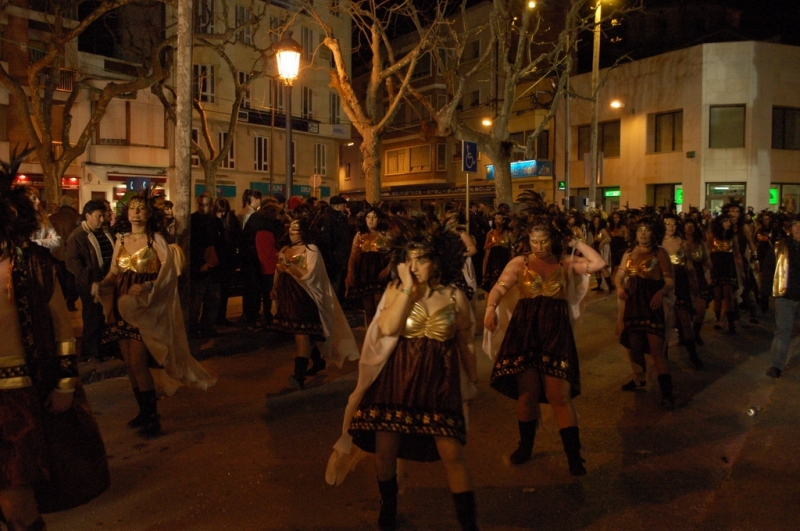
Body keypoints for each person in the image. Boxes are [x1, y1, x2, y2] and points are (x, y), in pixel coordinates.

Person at [326, 230, 480, 531]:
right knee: (385, 451)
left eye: (420, 260)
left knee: (452, 453)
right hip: (397, 378)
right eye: (408, 260)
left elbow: (464, 340)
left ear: (437, 261)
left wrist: (472, 379)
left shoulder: (453, 295)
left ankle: (469, 522)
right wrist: (408, 289)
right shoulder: (397, 290)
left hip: (438, 382)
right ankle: (389, 504)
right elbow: (388, 326)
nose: (414, 266)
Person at [1, 185, 108, 530]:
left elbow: (63, 328)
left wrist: (64, 385)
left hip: (16, 402)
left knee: (17, 503)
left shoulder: (30, 263)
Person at [483, 217, 604, 475]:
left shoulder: (564, 262)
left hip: (555, 333)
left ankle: (574, 457)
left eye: (544, 240)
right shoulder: (520, 263)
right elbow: (499, 288)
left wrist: (577, 241)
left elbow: (599, 263)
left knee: (558, 395)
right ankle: (525, 447)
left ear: (553, 239)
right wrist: (490, 308)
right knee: (527, 395)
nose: (538, 245)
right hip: (525, 332)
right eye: (533, 241)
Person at [98, 193, 216, 438]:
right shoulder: (120, 240)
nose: (136, 212)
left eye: (141, 208)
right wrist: (101, 285)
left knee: (139, 362)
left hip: (146, 308)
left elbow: (169, 274)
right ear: (126, 212)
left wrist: (149, 286)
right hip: (122, 305)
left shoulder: (157, 241)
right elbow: (113, 273)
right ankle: (142, 411)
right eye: (132, 208)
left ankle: (153, 417)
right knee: (129, 364)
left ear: (149, 213)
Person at [270, 217, 358, 389]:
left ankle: (299, 375)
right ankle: (317, 360)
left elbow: (310, 275)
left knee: (301, 334)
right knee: (299, 332)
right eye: (290, 231)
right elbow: (278, 270)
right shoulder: (285, 249)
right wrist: (275, 287)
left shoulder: (311, 250)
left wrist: (289, 266)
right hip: (288, 297)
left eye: (295, 232)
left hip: (305, 297)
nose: (292, 235)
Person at [615, 217, 676, 410]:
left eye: (647, 230)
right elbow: (620, 274)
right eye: (640, 230)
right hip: (633, 303)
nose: (642, 234)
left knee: (656, 348)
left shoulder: (660, 253)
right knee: (634, 345)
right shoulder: (629, 253)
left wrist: (661, 292)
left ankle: (667, 392)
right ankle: (639, 379)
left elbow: (669, 280)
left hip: (651, 304)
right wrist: (618, 287)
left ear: (653, 232)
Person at [65, 200, 117, 361]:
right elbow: (72, 262)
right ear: (87, 216)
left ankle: (103, 348)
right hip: (90, 284)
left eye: (103, 215)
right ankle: (90, 352)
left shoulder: (105, 231)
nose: (102, 219)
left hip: (107, 281)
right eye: (98, 216)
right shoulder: (78, 236)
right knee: (92, 318)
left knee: (106, 316)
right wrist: (89, 279)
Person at [661, 215, 703, 368]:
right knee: (663, 322)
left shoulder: (682, 244)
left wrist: (694, 284)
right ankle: (662, 358)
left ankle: (693, 355)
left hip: (681, 284)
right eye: (667, 223)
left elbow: (689, 266)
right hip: (663, 286)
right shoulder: (657, 244)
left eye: (673, 224)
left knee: (684, 319)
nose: (671, 227)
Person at [766, 215, 800, 378]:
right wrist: (766, 291)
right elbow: (769, 267)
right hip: (785, 294)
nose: (798, 229)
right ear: (790, 227)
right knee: (783, 330)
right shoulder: (780, 246)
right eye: (795, 225)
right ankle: (776, 365)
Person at [346, 207, 392, 325]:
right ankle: (370, 332)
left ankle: (381, 329)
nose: (371, 220)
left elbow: (394, 252)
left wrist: (388, 268)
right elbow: (353, 255)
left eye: (374, 217)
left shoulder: (385, 234)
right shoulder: (360, 235)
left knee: (379, 301)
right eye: (368, 217)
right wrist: (350, 273)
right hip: (364, 271)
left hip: (379, 270)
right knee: (368, 305)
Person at [188, 193, 224, 337]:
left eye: (206, 204)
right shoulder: (192, 220)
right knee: (196, 300)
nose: (202, 208)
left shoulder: (216, 221)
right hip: (199, 266)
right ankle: (193, 327)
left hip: (213, 266)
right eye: (200, 204)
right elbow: (191, 245)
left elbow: (220, 243)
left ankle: (207, 326)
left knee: (212, 298)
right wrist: (199, 264)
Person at [708, 214, 742, 335]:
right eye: (725, 221)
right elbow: (707, 250)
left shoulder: (732, 236)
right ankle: (718, 318)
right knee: (717, 294)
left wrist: (741, 268)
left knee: (728, 293)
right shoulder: (713, 235)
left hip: (728, 265)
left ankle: (731, 322)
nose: (728, 223)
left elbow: (737, 252)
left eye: (729, 221)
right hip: (716, 265)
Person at [49, 195, 82, 311]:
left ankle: (62, 302)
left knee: (60, 279)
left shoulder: (52, 218)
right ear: (72, 204)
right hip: (72, 253)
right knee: (72, 279)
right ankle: (71, 302)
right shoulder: (77, 218)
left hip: (55, 254)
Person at [213, 197, 241, 327]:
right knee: (215, 292)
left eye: (224, 211)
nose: (222, 214)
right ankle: (214, 317)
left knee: (224, 291)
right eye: (220, 211)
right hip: (217, 259)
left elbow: (237, 237)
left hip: (227, 259)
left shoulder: (231, 219)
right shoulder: (214, 221)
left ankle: (221, 316)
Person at [18, 186, 60, 251]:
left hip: (40, 259)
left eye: (38, 198)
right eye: (34, 198)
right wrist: (46, 241)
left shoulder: (43, 218)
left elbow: (57, 241)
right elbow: (22, 246)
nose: (38, 201)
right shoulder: (17, 220)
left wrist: (39, 242)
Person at [481, 213, 512, 293]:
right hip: (493, 259)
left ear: (504, 220)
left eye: (499, 218)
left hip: (504, 258)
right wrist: (492, 244)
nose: (497, 221)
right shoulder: (490, 233)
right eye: (495, 219)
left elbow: (512, 247)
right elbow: (485, 247)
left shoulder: (508, 233)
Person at [588, 214, 613, 292]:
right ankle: (599, 285)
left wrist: (602, 242)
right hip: (597, 248)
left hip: (603, 249)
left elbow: (609, 239)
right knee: (596, 268)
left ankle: (610, 285)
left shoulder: (602, 229)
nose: (595, 222)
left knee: (602, 267)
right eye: (594, 220)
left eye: (597, 220)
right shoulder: (594, 230)